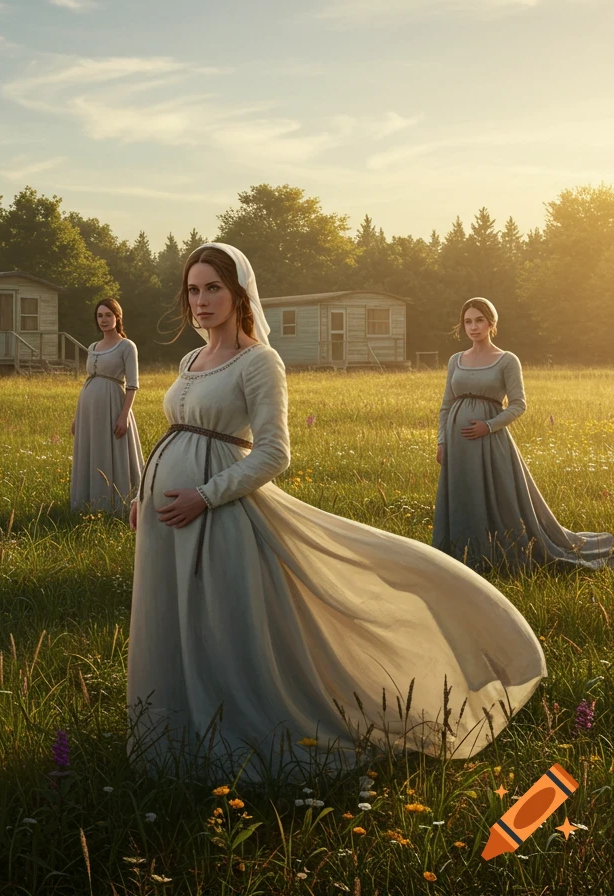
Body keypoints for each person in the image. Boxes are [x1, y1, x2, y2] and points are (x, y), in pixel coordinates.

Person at [126, 243, 544, 778]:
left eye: (213, 288)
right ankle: (175, 729)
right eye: (193, 289)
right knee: (174, 616)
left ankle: (235, 725)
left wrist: (204, 495)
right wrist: (143, 495)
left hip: (218, 512)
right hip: (165, 520)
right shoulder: (191, 360)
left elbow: (275, 452)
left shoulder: (259, 361)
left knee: (222, 623)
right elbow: (173, 434)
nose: (202, 300)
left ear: (238, 294)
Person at [434, 297, 612, 570]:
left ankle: (494, 552)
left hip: (490, 443)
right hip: (457, 446)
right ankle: (462, 554)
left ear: (491, 323)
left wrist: (488, 425)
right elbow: (447, 404)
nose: (473, 327)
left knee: (499, 500)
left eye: (479, 320)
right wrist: (442, 441)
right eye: (468, 321)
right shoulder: (456, 360)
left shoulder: (506, 360)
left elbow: (519, 404)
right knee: (463, 496)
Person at [71, 299, 142, 513]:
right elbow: (88, 381)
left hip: (113, 406)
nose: (103, 320)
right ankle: (87, 504)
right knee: (91, 451)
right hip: (88, 410)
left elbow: (132, 385)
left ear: (117, 317)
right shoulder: (93, 347)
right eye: (100, 315)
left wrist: (124, 416)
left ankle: (115, 504)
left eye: (108, 315)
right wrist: (77, 417)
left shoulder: (126, 346)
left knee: (112, 451)